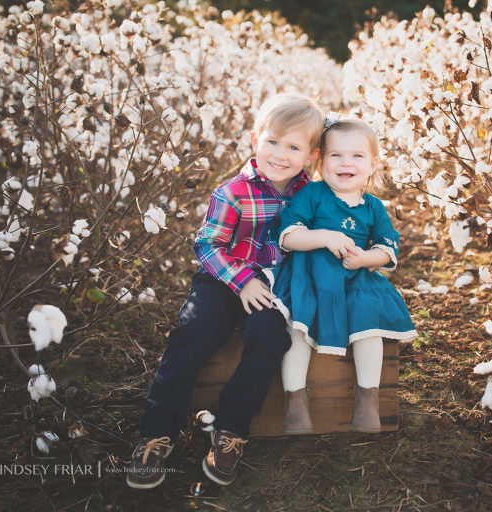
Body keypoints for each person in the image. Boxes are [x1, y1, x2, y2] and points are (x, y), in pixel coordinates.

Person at [126, 93, 324, 489]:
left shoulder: (311, 196)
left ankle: (231, 429)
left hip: (271, 287)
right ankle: (156, 432)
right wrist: (241, 280)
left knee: (269, 338)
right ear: (255, 139)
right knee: (192, 333)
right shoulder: (233, 191)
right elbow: (207, 245)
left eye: (293, 146)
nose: (280, 154)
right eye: (272, 141)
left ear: (312, 156)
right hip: (223, 278)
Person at [269, 117, 417, 435]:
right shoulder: (312, 195)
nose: (346, 162)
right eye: (336, 155)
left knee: (369, 326)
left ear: (372, 164)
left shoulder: (373, 206)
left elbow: (388, 248)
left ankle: (367, 401)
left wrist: (365, 258)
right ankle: (295, 404)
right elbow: (289, 236)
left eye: (357, 156)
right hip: (308, 276)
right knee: (296, 328)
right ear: (322, 161)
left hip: (354, 280)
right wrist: (325, 237)